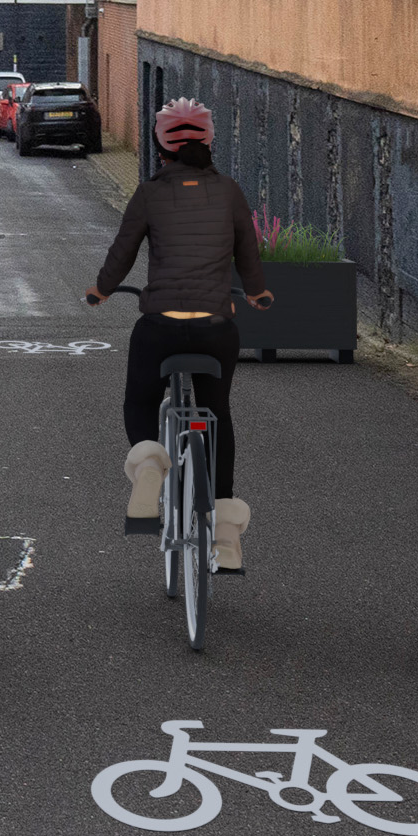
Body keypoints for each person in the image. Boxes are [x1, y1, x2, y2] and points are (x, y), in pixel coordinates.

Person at [84, 98, 273, 571]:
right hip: (215, 330)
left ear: (159, 147)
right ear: (209, 143)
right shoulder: (229, 192)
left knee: (139, 401)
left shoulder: (149, 194)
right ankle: (227, 533)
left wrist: (101, 290)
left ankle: (149, 465)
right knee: (219, 414)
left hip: (161, 327)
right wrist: (257, 293)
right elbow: (248, 253)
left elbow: (123, 252)